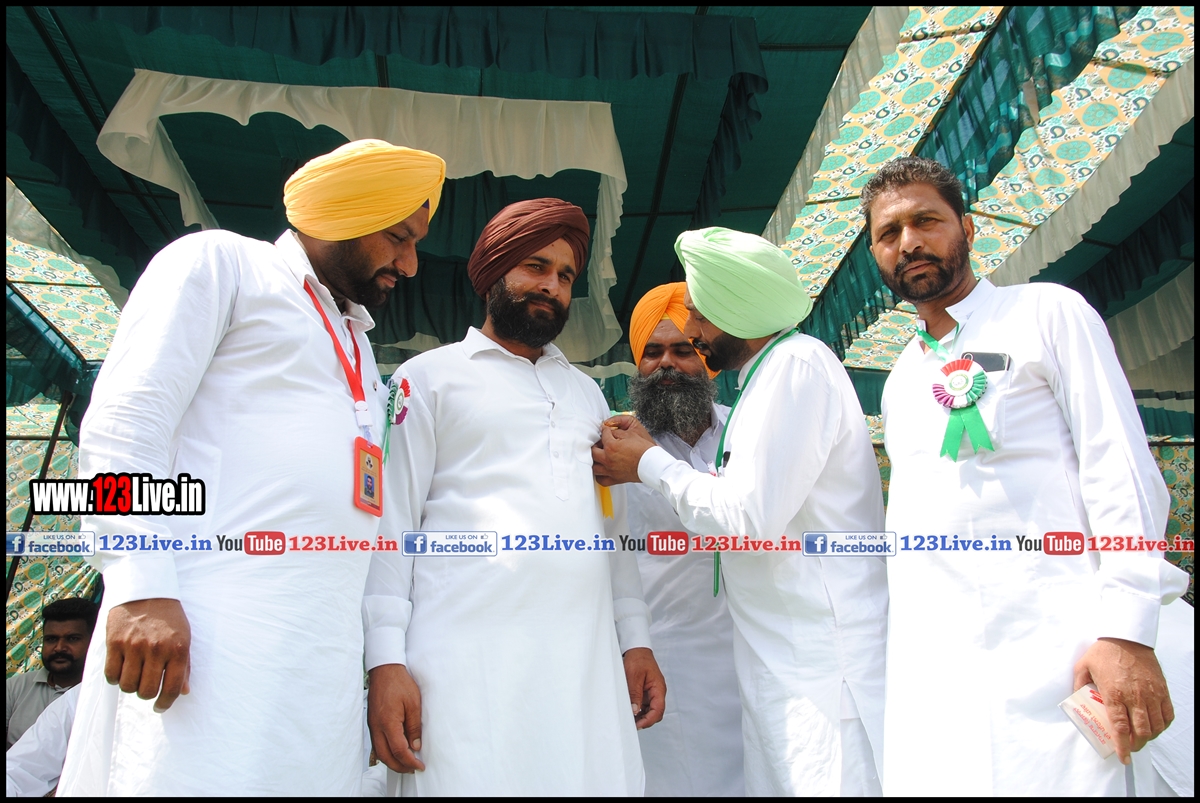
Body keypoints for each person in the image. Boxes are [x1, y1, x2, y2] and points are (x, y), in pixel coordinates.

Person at [58, 139, 446, 796]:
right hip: (208, 642)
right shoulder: (221, 263)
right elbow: (127, 422)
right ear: (345, 215)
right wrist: (141, 584)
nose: (409, 264)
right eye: (398, 238)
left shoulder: (357, 341)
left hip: (320, 671)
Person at [867, 156, 1189, 796]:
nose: (909, 242)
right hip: (942, 671)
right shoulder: (901, 378)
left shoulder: (1046, 313)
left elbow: (1118, 467)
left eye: (926, 221)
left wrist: (1126, 632)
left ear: (967, 229)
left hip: (1062, 653)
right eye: (889, 233)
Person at [364, 198, 665, 796]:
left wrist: (635, 640)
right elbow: (391, 526)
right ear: (494, 269)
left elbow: (612, 531)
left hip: (581, 669)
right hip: (462, 670)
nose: (551, 286)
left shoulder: (587, 396)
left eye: (566, 276)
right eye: (535, 266)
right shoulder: (427, 379)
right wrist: (384, 660)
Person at [593, 228, 888, 796]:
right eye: (654, 350)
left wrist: (649, 464)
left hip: (816, 665)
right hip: (730, 665)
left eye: (696, 319)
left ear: (734, 308)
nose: (691, 334)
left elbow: (746, 518)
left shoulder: (795, 367)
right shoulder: (763, 383)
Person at [623, 282, 745, 796]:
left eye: (683, 349)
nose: (667, 365)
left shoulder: (746, 430)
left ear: (708, 358)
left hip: (751, 652)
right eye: (652, 352)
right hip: (664, 659)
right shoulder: (615, 446)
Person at [6, 598, 96, 749]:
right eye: (51, 639)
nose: (59, 648)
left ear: (94, 642)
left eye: (72, 639)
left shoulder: (104, 693)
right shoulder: (14, 688)